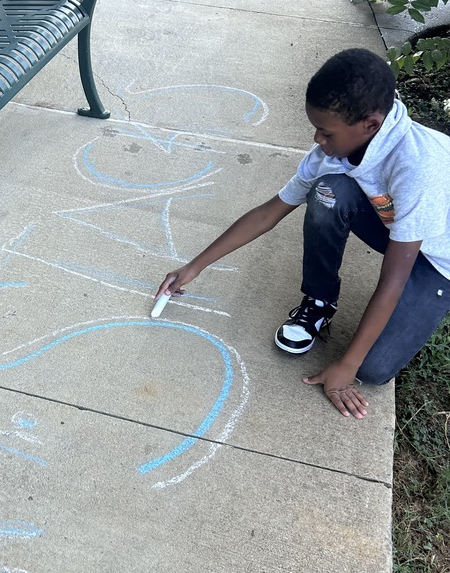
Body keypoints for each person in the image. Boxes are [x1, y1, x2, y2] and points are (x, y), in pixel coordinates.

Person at [155, 48, 450, 419]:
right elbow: (268, 213)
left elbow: (393, 280)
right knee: (329, 191)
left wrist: (346, 367)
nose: (317, 139)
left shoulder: (419, 167)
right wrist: (194, 266)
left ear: (370, 124)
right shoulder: (332, 152)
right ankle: (319, 301)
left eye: (326, 132)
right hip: (399, 230)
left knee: (371, 369)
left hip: (440, 261)